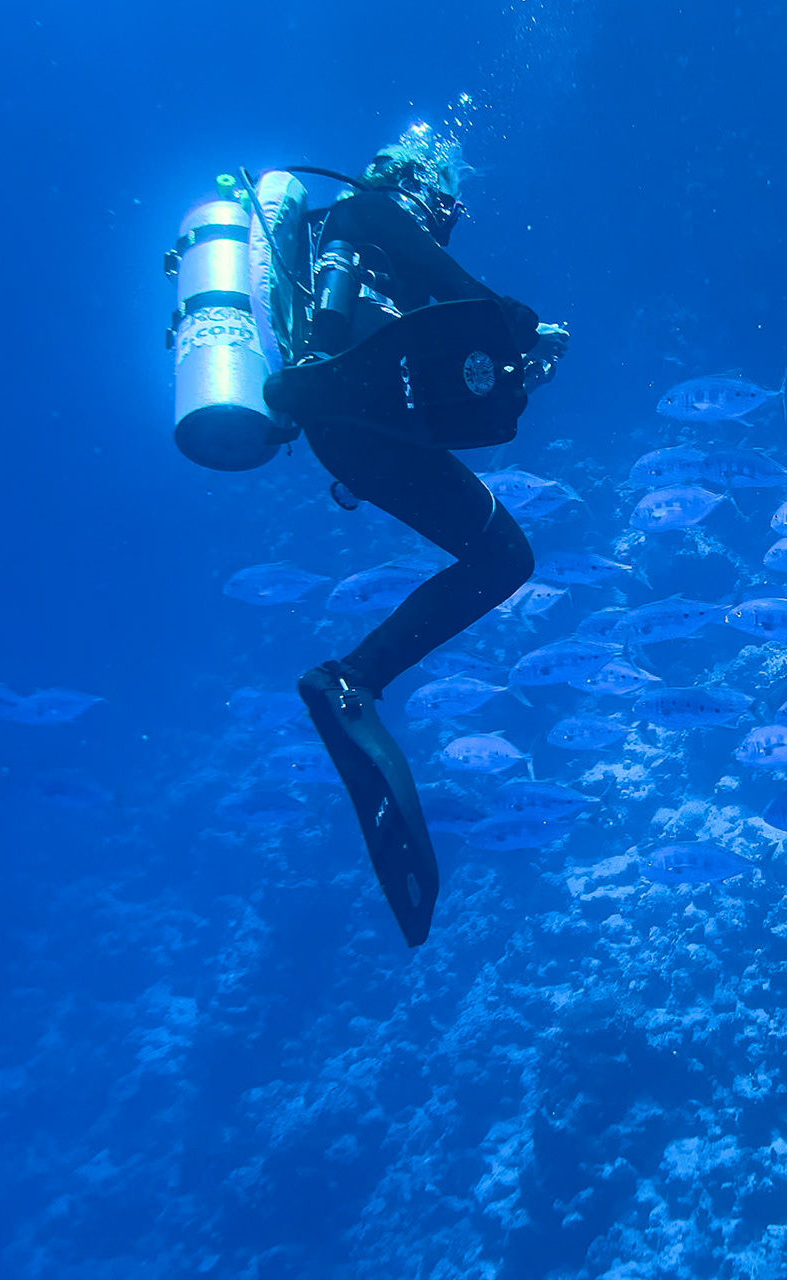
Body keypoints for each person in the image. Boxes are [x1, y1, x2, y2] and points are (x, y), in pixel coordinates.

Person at [282, 136, 567, 948]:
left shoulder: (345, 251)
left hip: (353, 427)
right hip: (363, 418)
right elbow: (470, 301)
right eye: (442, 207)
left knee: (500, 555)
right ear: (420, 192)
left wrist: (518, 368)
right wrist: (528, 330)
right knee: (505, 558)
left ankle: (352, 683)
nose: (441, 224)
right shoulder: (371, 212)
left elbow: (448, 388)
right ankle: (349, 682)